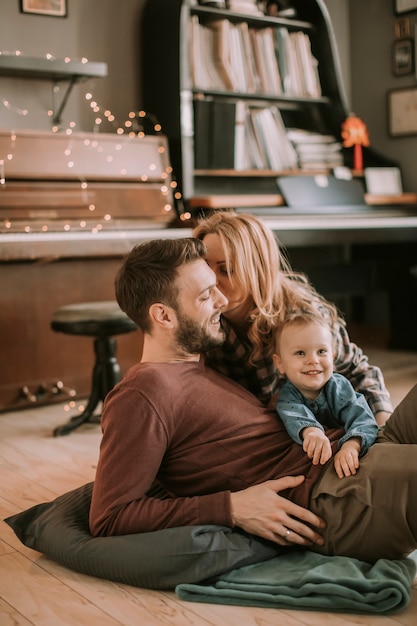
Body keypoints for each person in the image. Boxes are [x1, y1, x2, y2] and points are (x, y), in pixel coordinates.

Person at [90, 237, 417, 564]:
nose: (222, 299)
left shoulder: (202, 361)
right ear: (163, 316)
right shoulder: (141, 395)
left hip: (356, 446)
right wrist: (230, 507)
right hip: (332, 493)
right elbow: (109, 517)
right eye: (206, 295)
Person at [193, 211, 392, 426]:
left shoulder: (303, 314)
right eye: (204, 267)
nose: (210, 279)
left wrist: (384, 425)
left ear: (257, 270)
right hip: (248, 426)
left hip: (316, 429)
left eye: (226, 269)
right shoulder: (196, 315)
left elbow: (358, 372)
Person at [272, 310, 378, 478]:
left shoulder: (339, 386)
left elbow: (364, 419)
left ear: (332, 357)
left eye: (321, 351)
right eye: (300, 353)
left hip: (352, 452)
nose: (313, 360)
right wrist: (312, 432)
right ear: (280, 363)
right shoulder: (287, 396)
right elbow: (295, 416)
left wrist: (351, 446)